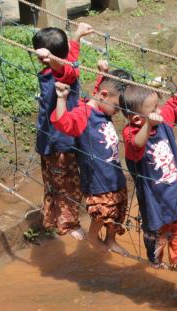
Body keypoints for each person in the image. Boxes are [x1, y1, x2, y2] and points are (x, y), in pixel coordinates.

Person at [120, 77, 177, 280]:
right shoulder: (131, 134)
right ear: (137, 119)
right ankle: (156, 269)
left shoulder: (161, 121)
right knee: (156, 244)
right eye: (154, 109)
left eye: (158, 105)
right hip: (156, 205)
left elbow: (175, 105)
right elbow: (136, 144)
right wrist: (148, 125)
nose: (160, 111)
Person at [50, 66, 132, 256]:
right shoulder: (83, 114)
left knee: (119, 209)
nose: (118, 112)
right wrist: (61, 99)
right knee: (102, 212)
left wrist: (101, 73)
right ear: (104, 95)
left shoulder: (103, 106)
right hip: (97, 178)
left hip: (114, 173)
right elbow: (62, 122)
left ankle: (111, 240)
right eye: (118, 107)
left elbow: (100, 91)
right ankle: (93, 238)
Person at [32, 23, 94, 240]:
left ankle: (51, 218)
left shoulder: (59, 69)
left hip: (47, 137)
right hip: (60, 141)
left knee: (54, 182)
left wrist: (76, 37)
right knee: (66, 184)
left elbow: (68, 62)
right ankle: (68, 224)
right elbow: (67, 67)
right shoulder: (63, 74)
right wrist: (55, 57)